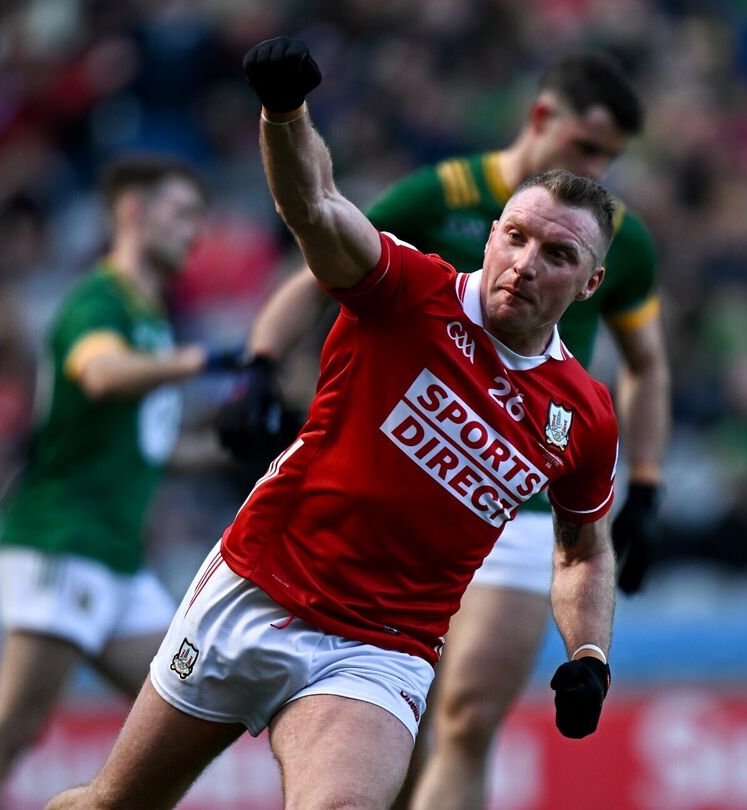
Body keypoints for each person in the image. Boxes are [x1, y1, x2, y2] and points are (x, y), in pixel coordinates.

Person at [47, 37, 619, 810]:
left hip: (382, 648)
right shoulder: (407, 290)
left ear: (590, 283)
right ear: (491, 233)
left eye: (557, 253)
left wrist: (588, 651)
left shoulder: (581, 413)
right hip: (261, 585)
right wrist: (285, 112)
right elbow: (313, 206)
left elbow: (581, 551)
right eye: (515, 236)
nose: (525, 262)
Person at [217, 50, 668, 810]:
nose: (600, 167)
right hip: (408, 488)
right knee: (403, 729)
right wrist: (261, 358)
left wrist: (646, 484)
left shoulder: (618, 238)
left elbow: (647, 364)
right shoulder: (445, 193)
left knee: (465, 720)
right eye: (588, 147)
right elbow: (325, 245)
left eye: (610, 157)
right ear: (540, 120)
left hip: (517, 499)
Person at [0, 155, 231, 810]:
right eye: (181, 214)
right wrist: (198, 361)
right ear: (133, 212)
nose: (193, 232)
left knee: (193, 714)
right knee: (12, 727)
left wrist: (231, 449)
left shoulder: (149, 317)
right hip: (63, 541)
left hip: (115, 559)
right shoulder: (100, 301)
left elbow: (143, 447)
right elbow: (99, 373)